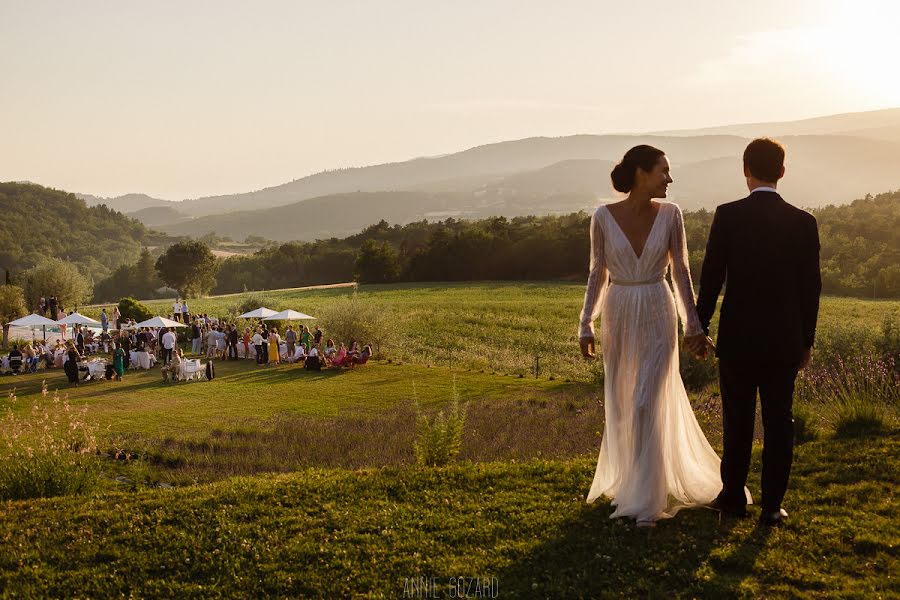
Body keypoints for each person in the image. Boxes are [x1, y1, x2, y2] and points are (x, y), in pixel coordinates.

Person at [579, 145, 735, 527]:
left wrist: (694, 327)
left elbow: (681, 273)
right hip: (618, 311)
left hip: (656, 307)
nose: (669, 178)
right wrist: (586, 322)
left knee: (646, 399)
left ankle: (646, 503)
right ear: (640, 173)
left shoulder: (671, 215)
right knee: (622, 400)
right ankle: (631, 482)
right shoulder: (602, 216)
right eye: (663, 170)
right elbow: (598, 272)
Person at [696, 138, 822, 528]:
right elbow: (810, 287)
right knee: (779, 421)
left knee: (738, 421)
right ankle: (771, 506)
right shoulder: (804, 222)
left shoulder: (727, 215)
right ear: (782, 172)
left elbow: (712, 278)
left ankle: (732, 498)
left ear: (744, 169)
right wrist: (806, 341)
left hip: (737, 338)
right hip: (784, 339)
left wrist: (700, 328)